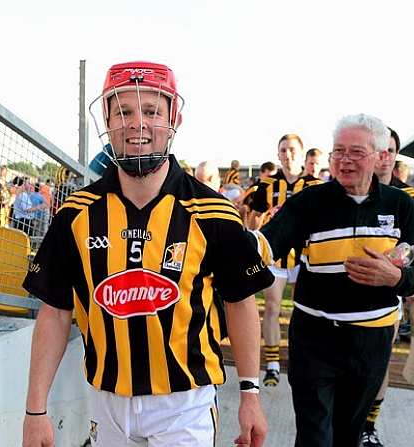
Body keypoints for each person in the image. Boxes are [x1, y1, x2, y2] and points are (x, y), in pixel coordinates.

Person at [22, 61, 273, 447]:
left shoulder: (213, 212)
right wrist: (35, 410)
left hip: (184, 405)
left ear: (174, 119)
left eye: (152, 111)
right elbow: (55, 312)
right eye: (123, 111)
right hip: (105, 404)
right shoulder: (75, 214)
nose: (137, 122)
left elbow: (241, 303)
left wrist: (250, 395)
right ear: (107, 120)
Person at [261, 114, 414, 447]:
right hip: (314, 338)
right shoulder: (309, 202)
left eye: (356, 151)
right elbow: (267, 244)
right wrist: (236, 244)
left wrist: (395, 277)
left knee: (347, 436)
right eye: (338, 151)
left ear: (381, 156)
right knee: (313, 435)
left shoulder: (403, 206)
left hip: (371, 342)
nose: (344, 160)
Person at [361, 126, 414, 447]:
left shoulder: (408, 197)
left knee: (380, 361)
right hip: (349, 295)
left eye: (390, 151)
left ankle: (368, 425)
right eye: (380, 150)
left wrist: (409, 278)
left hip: (389, 292)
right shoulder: (350, 191)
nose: (384, 157)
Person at [250, 133, 322, 387]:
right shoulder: (267, 186)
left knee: (307, 312)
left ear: (302, 154)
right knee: (272, 308)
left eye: (292, 149)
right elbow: (253, 221)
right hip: (277, 257)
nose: (287, 154)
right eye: (283, 150)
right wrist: (265, 218)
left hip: (306, 257)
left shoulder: (317, 185)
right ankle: (272, 365)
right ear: (277, 154)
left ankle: (305, 362)